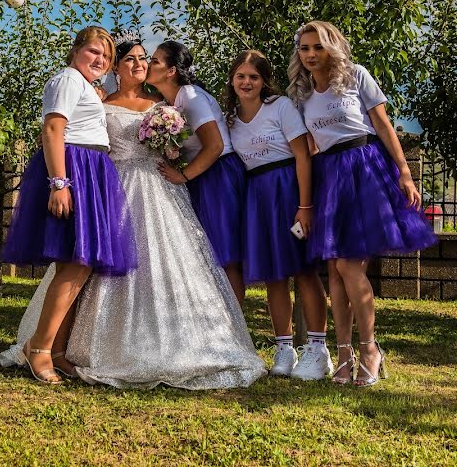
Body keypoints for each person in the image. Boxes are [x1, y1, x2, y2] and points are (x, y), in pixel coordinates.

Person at [0, 32, 266, 389]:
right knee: (83, 264)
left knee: (161, 264)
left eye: (145, 58)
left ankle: (163, 343)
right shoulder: (99, 100)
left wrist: (172, 154)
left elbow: (191, 146)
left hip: (157, 189)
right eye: (130, 59)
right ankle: (59, 347)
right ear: (115, 67)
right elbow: (72, 136)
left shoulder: (165, 105)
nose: (140, 64)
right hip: (110, 187)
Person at [287, 21, 438, 386]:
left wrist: (404, 171)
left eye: (317, 47)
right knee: (336, 268)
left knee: (350, 266)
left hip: (363, 169)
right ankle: (344, 353)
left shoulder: (356, 75)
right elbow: (307, 145)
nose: (310, 55)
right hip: (329, 176)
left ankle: (369, 348)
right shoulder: (300, 92)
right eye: (304, 48)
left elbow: (384, 126)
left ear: (332, 47)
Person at [0, 26, 138, 384]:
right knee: (75, 265)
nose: (100, 60)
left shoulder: (84, 85)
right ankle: (40, 350)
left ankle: (55, 349)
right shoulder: (66, 79)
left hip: (91, 168)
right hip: (74, 168)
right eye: (94, 52)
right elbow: (52, 129)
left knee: (81, 264)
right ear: (76, 50)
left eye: (106, 57)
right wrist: (59, 183)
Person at [224, 50, 331, 380]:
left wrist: (304, 206)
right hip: (257, 195)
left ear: (264, 81)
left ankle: (317, 349)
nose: (247, 82)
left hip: (287, 188)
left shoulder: (280, 107)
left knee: (303, 270)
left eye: (253, 77)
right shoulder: (229, 119)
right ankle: (283, 347)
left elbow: (303, 155)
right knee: (273, 274)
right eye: (241, 76)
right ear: (232, 79)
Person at [145, 41, 247, 304]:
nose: (148, 64)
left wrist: (184, 175)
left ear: (171, 71)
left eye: (155, 60)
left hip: (218, 174)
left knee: (225, 255)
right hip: (202, 174)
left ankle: (236, 330)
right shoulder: (170, 102)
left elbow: (215, 145)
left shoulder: (190, 96)